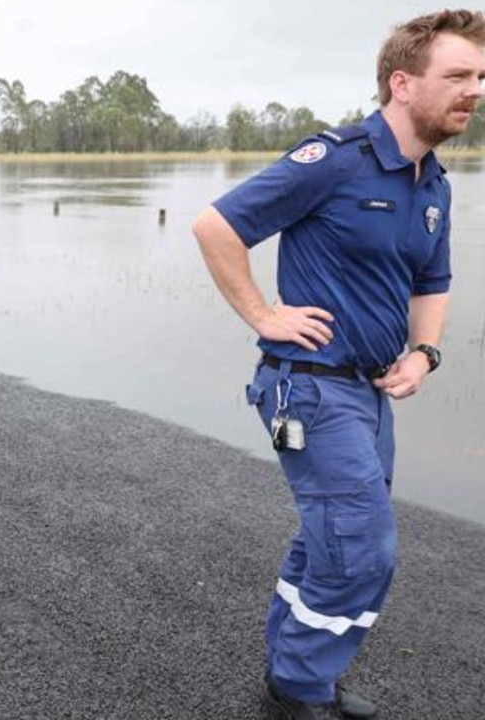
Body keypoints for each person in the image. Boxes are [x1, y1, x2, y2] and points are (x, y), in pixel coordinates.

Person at [193, 10, 485, 720]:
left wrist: (424, 353)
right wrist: (264, 315)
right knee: (362, 551)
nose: (474, 90)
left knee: (331, 537)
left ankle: (293, 671)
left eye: (479, 77)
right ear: (401, 82)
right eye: (458, 76)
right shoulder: (338, 159)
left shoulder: (432, 183)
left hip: (370, 393)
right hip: (311, 390)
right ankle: (299, 690)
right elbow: (217, 225)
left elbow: (432, 281)